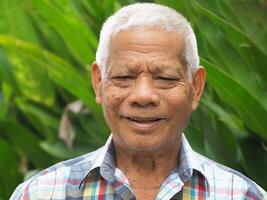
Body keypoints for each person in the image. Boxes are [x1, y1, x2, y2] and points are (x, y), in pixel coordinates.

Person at [11, 3, 266, 200]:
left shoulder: (241, 194)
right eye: (123, 77)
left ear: (196, 88)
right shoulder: (41, 193)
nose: (143, 96)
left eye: (165, 78)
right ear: (98, 83)